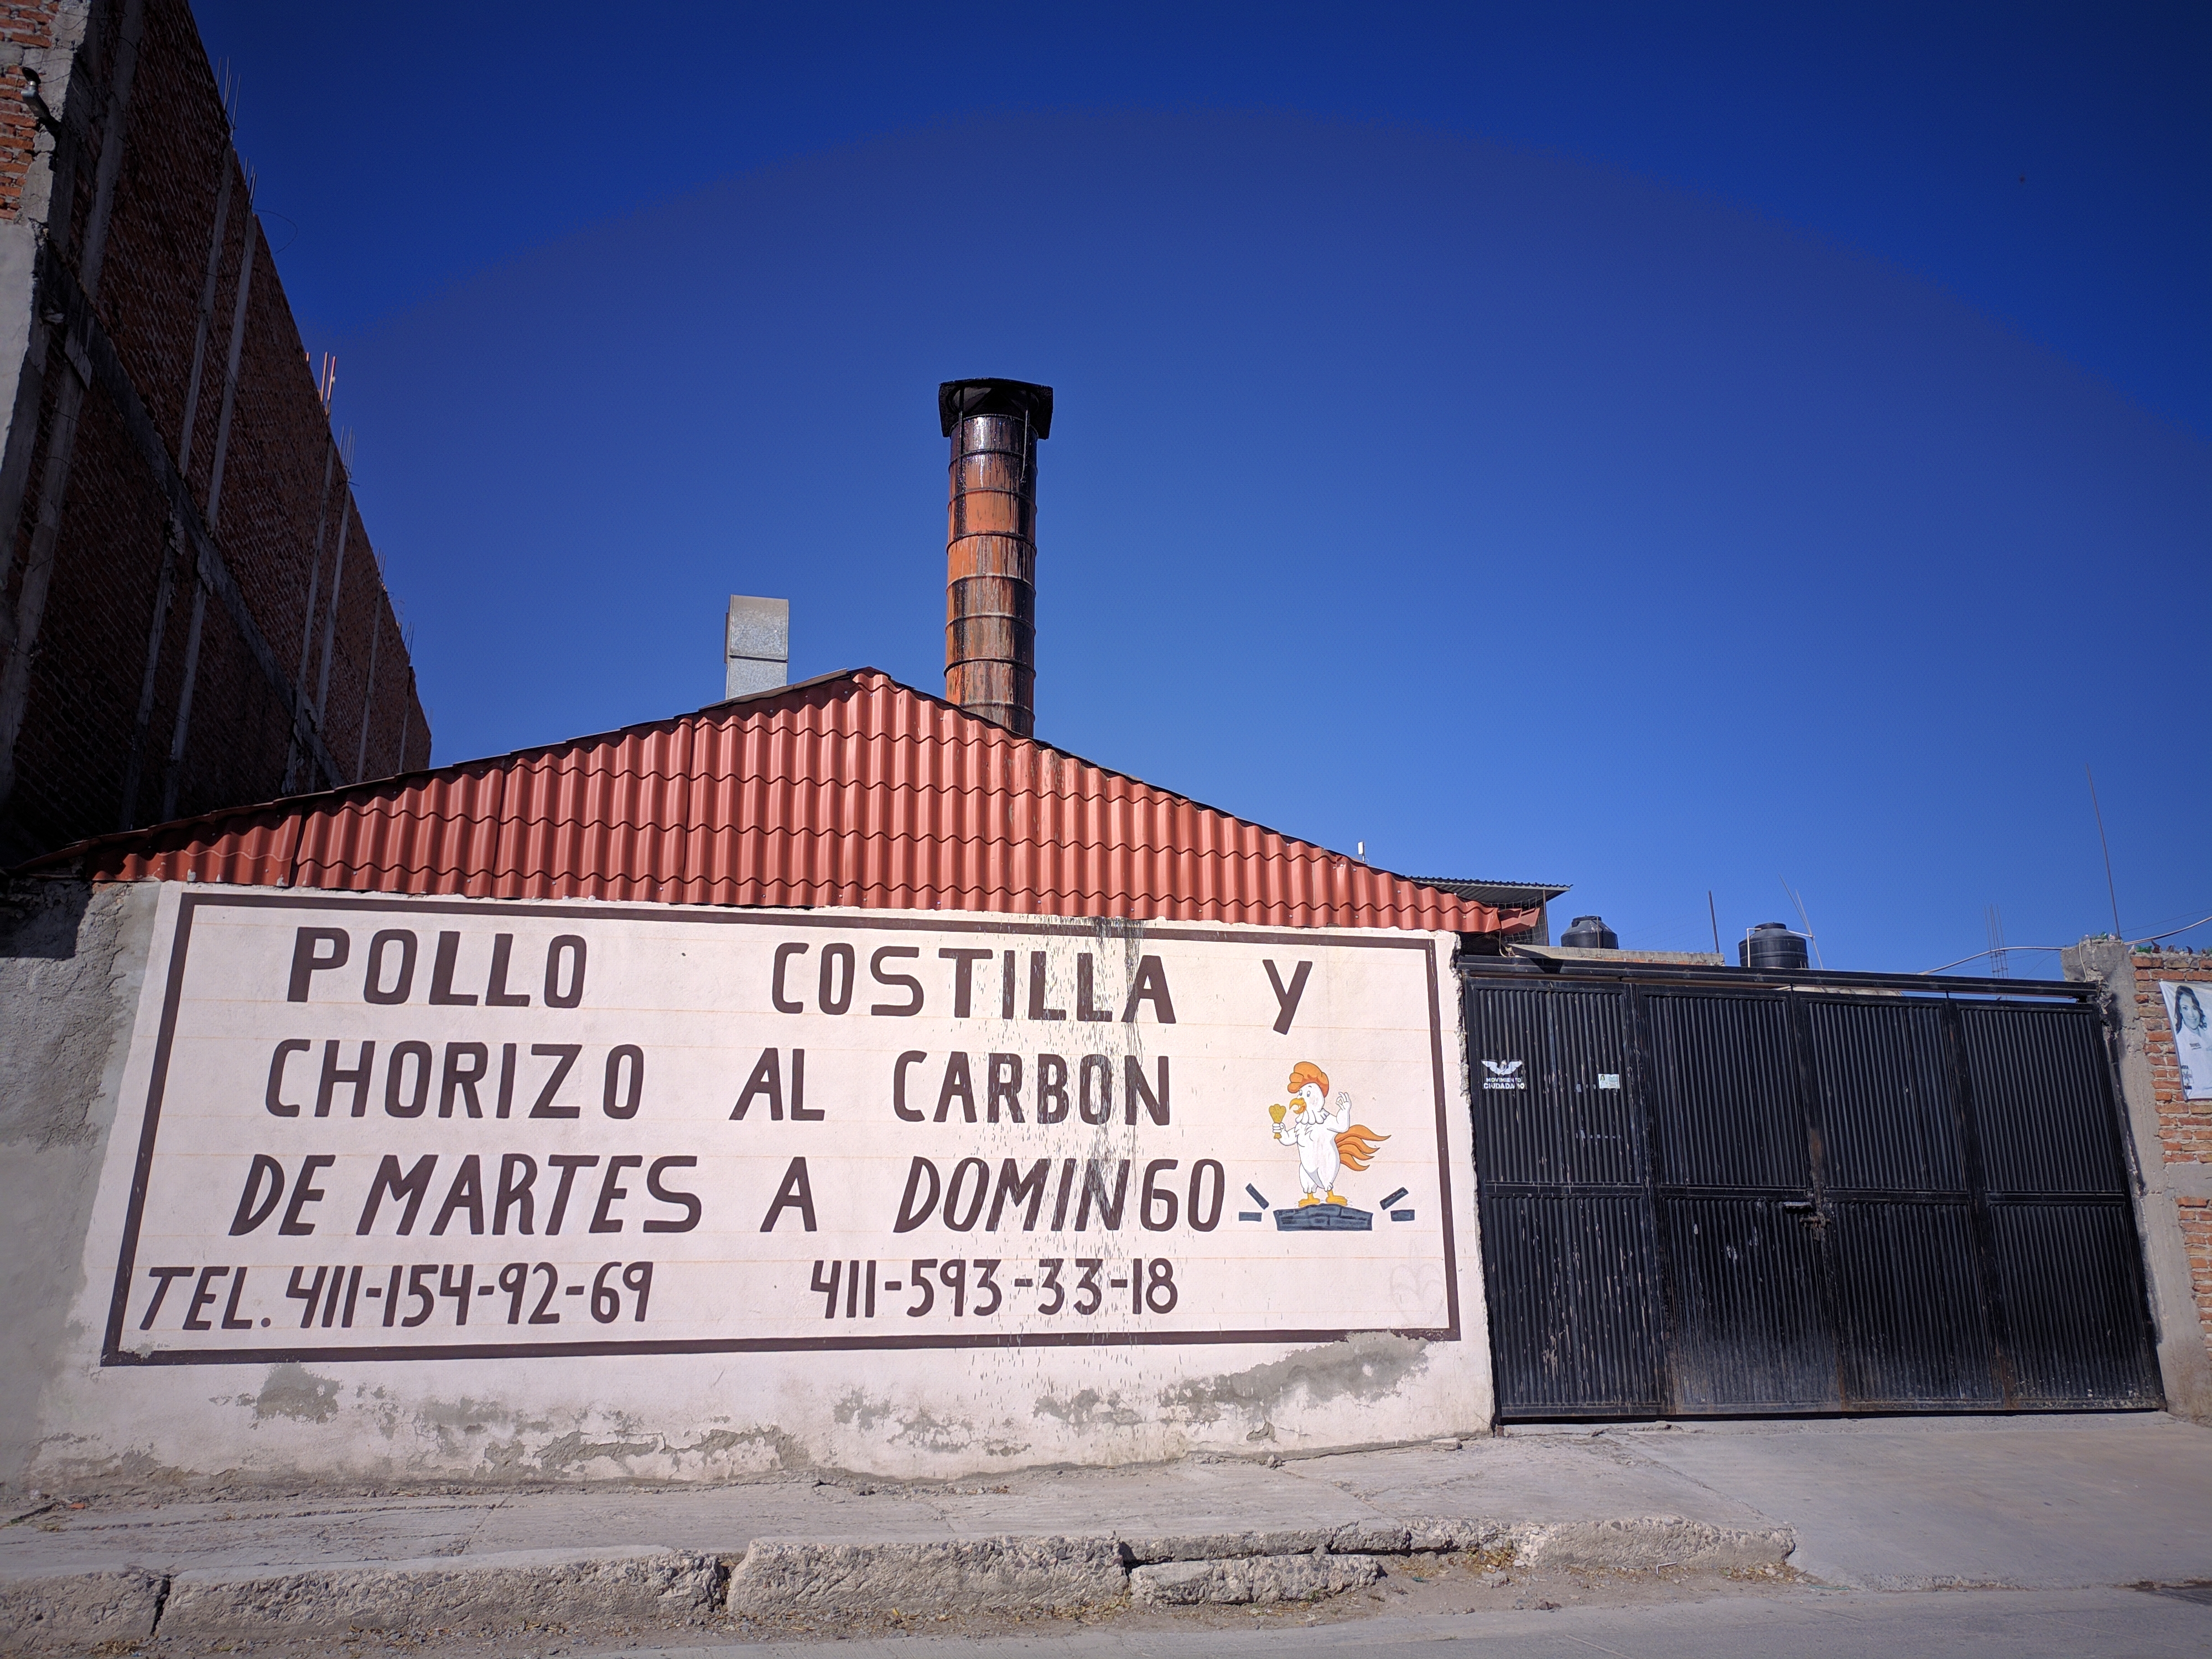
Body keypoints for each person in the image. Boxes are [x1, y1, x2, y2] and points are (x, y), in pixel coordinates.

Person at [2173, 984, 2212, 1102]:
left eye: (2194, 1008)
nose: (2191, 1014)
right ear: (2180, 1010)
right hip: (2202, 1098)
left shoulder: (2207, 1033)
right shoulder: (2182, 1041)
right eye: (2185, 1008)